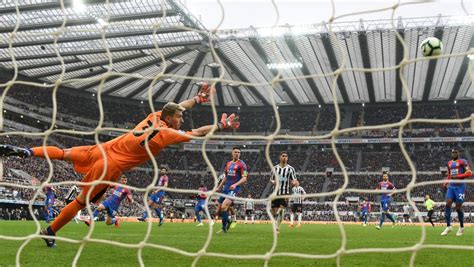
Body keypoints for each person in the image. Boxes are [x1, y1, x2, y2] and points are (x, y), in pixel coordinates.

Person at [0, 84, 240, 247]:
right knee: (80, 202)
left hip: (104, 148)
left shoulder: (155, 117)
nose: (182, 119)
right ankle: (50, 232)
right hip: (110, 165)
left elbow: (179, 106)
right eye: (178, 118)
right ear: (168, 119)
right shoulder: (166, 132)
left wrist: (197, 99)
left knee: (63, 153)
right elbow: (197, 132)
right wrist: (220, 126)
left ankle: (27, 151)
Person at [216, 147, 248, 233]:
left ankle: (224, 228)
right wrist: (219, 187)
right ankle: (229, 221)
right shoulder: (228, 163)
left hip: (234, 189)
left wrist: (235, 184)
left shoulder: (242, 164)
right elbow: (225, 177)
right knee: (218, 212)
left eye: (239, 152)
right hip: (225, 188)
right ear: (232, 153)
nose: (237, 153)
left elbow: (244, 178)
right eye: (235, 152)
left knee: (224, 207)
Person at [441, 149, 472, 236]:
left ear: (458, 153)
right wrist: (446, 182)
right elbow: (450, 175)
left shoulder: (463, 161)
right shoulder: (449, 163)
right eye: (453, 153)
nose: (454, 154)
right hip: (451, 187)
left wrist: (458, 176)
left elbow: (469, 173)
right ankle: (448, 226)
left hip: (460, 187)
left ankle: (461, 226)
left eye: (456, 152)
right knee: (448, 204)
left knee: (458, 208)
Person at [270, 151, 297, 234]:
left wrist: (294, 183)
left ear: (287, 158)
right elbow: (271, 179)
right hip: (275, 193)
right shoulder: (275, 168)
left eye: (286, 156)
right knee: (274, 211)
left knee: (282, 210)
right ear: (280, 157)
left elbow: (294, 179)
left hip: (285, 192)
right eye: (283, 156)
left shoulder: (291, 169)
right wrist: (273, 182)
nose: (284, 157)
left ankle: (277, 227)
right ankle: (276, 221)